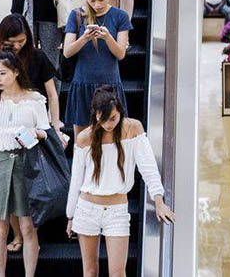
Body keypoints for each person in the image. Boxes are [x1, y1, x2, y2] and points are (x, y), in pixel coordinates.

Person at [66, 86, 175, 277]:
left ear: (120, 112)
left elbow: (148, 167)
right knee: (90, 271)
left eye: (113, 118)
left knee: (117, 272)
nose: (109, 124)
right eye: (103, 119)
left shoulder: (133, 128)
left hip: (117, 210)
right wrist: (70, 215)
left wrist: (159, 201)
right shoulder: (85, 137)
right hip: (87, 208)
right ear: (96, 115)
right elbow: (76, 180)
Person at [0, 51, 52, 277]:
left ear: (15, 72)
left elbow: (47, 131)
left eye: (2, 73)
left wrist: (35, 133)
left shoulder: (34, 100)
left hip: (27, 164)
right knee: (0, 227)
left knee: (28, 227)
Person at [64, 0, 132, 139]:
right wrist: (85, 38)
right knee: (81, 141)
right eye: (91, 0)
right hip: (82, 83)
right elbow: (67, 52)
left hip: (109, 86)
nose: (97, 5)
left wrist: (108, 37)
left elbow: (120, 53)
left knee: (111, 139)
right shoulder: (77, 15)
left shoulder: (119, 16)